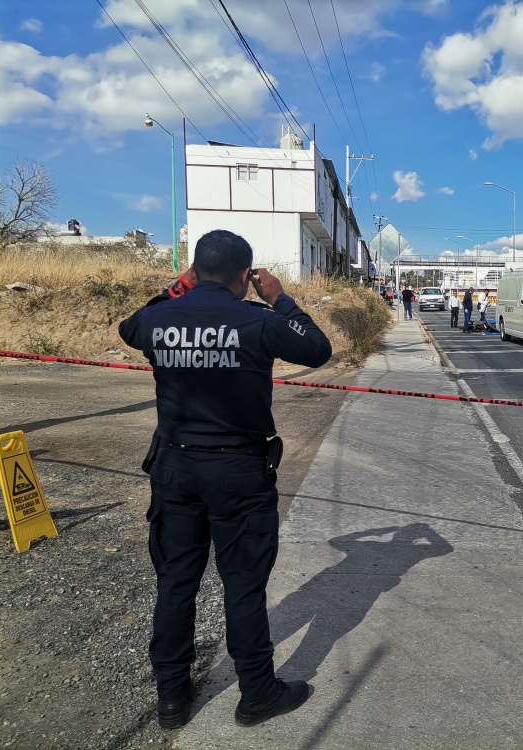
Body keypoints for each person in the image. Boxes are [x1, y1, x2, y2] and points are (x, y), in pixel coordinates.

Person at [118, 230, 331, 730]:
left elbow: (129, 327)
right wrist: (279, 298)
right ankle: (256, 693)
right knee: (242, 584)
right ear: (245, 275)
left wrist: (178, 288)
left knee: (175, 582)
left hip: (175, 470)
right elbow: (317, 348)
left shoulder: (159, 318)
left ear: (193, 272)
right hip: (238, 473)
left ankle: (172, 699)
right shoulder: (259, 319)